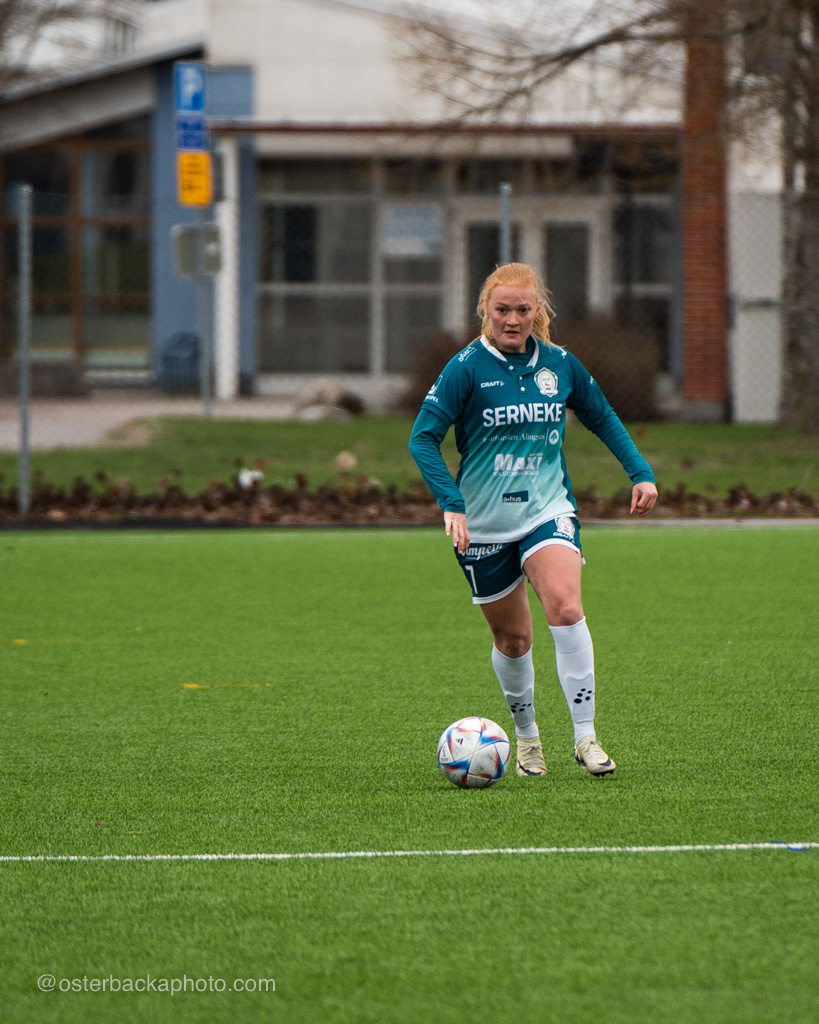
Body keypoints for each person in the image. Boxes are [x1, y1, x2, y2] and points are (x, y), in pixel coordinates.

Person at [409, 262, 658, 778]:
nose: (512, 319)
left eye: (523, 309)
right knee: (513, 640)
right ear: (486, 309)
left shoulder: (560, 364)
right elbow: (422, 438)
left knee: (566, 607)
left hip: (547, 510)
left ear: (537, 310)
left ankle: (586, 737)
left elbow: (602, 415)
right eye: (502, 309)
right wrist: (451, 502)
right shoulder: (465, 368)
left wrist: (640, 472)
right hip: (482, 524)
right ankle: (526, 740)